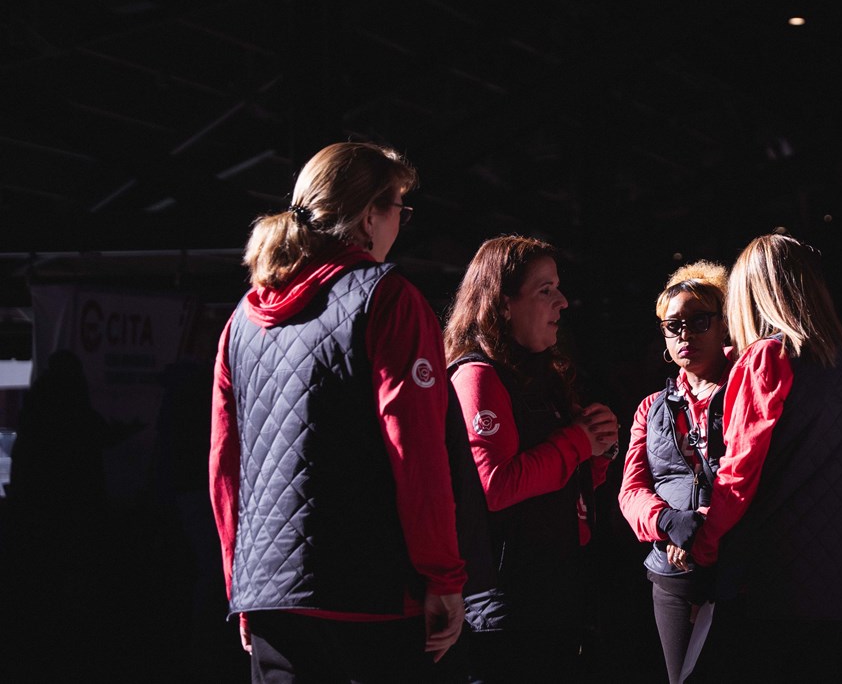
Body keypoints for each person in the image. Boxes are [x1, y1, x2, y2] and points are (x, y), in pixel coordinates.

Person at [208, 141, 467, 682]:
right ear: (370, 215)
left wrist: (243, 586)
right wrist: (443, 574)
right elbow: (415, 448)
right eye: (400, 206)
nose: (403, 221)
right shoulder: (387, 298)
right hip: (371, 592)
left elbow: (225, 466)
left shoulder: (242, 321)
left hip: (272, 596)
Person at [687, 234, 842, 682]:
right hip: (831, 575)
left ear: (752, 292)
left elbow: (738, 471)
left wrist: (704, 548)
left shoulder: (767, 357)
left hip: (767, 577)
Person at [442, 235, 619, 682]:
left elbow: (556, 492)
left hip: (555, 594)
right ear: (502, 306)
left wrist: (596, 454)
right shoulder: (477, 376)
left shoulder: (540, 378)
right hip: (510, 606)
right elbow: (497, 486)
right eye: (545, 290)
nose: (562, 301)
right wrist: (578, 443)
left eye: (558, 287)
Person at [617, 261, 735, 684]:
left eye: (699, 320)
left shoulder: (744, 390)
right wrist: (667, 522)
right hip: (672, 573)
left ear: (725, 325)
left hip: (736, 567)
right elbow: (630, 490)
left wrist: (701, 528)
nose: (685, 334)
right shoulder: (650, 408)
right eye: (673, 325)